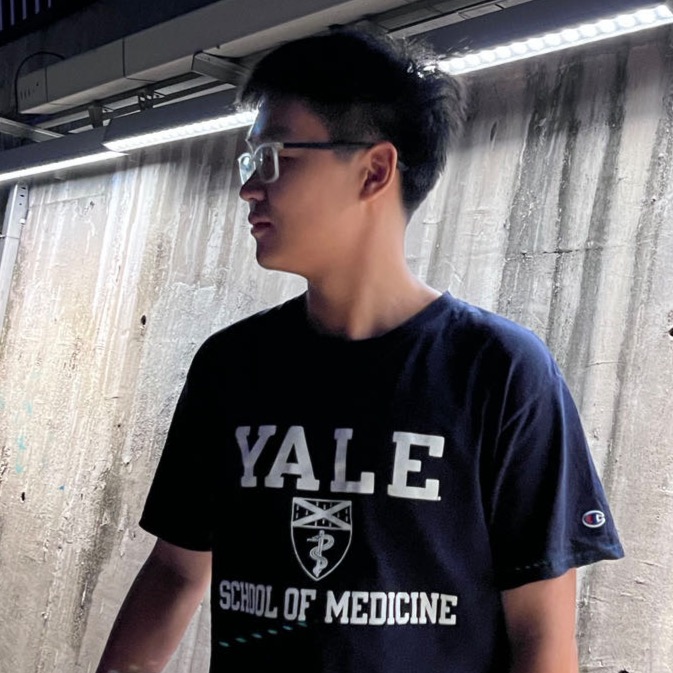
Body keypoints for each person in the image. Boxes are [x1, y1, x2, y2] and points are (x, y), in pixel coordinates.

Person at [95, 26, 624, 673]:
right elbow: (177, 569)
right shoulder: (230, 366)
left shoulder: (501, 371)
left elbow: (541, 635)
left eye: (274, 157)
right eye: (249, 161)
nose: (249, 187)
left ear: (373, 170)